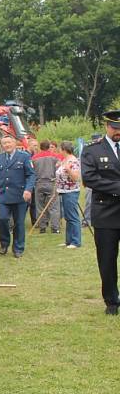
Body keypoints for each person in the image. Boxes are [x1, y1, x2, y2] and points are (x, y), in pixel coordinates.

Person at [81, 111, 120, 315]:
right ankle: (112, 300)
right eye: (115, 128)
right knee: (107, 259)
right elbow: (90, 179)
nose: (118, 132)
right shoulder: (92, 151)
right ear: (107, 126)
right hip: (106, 213)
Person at [0, 135, 36, 258]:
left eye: (9, 142)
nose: (7, 145)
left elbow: (31, 175)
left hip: (20, 196)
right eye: (4, 143)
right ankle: (4, 243)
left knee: (19, 223)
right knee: (2, 219)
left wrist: (28, 190)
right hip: (3, 195)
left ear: (14, 143)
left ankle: (18, 248)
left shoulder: (24, 157)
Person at [55, 140, 81, 249]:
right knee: (68, 217)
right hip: (63, 191)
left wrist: (68, 170)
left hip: (71, 192)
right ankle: (68, 241)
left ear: (64, 149)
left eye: (60, 148)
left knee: (72, 217)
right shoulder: (65, 160)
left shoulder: (73, 161)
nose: (58, 150)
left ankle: (76, 241)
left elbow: (76, 177)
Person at [31, 140, 61, 234]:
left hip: (39, 183)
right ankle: (55, 228)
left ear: (40, 147)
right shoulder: (55, 157)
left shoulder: (34, 158)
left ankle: (42, 227)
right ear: (49, 147)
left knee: (40, 206)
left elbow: (32, 171)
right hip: (51, 183)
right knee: (54, 207)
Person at [82, 132, 102, 227]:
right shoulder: (89, 150)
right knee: (89, 202)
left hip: (103, 181)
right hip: (92, 181)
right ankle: (87, 220)